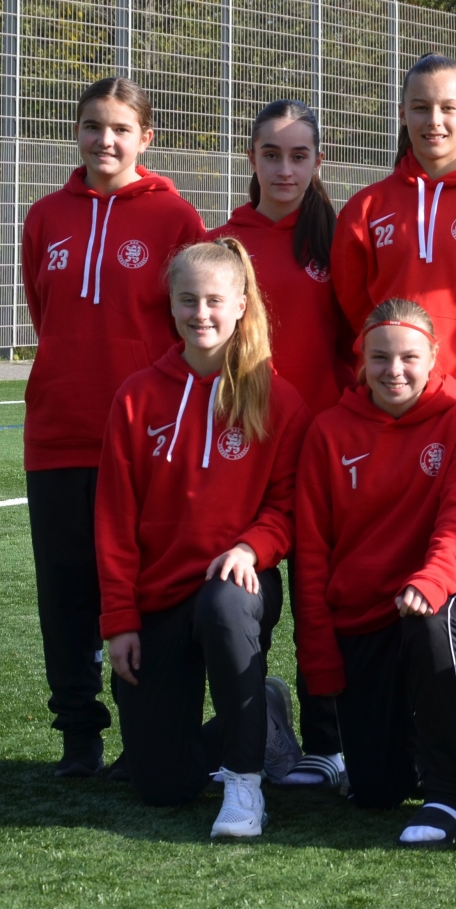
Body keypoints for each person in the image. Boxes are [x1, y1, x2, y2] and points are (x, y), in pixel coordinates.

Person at [331, 54, 456, 763]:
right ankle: (389, 732)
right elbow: (355, 310)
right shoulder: (366, 210)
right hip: (383, 425)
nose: (434, 121)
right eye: (420, 107)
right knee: (381, 572)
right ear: (402, 113)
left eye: (448, 107)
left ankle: (453, 742)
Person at [19, 77, 206, 777]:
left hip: (143, 439)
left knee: (140, 587)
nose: (106, 140)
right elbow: (45, 312)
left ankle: (142, 732)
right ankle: (78, 733)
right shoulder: (45, 217)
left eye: (122, 129)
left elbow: (192, 324)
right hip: (58, 432)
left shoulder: (175, 217)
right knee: (65, 591)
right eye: (94, 126)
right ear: (77, 130)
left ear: (145, 138)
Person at [95, 239, 309, 836]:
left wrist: (251, 547)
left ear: (241, 305)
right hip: (158, 597)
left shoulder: (276, 397)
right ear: (170, 304)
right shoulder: (136, 397)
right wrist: (120, 622)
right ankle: (265, 715)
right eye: (188, 299)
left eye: (215, 300)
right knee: (162, 787)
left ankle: (245, 784)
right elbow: (113, 521)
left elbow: (287, 508)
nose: (201, 313)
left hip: (234, 585)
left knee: (224, 600)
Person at [292, 298, 456, 845]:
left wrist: (428, 580)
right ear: (362, 358)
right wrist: (320, 660)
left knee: (432, 618)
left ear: (434, 357)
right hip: (361, 617)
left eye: (409, 357)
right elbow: (312, 556)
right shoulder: (329, 431)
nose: (394, 370)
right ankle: (274, 723)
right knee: (377, 792)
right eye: (380, 357)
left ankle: (449, 791)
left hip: (432, 602)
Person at [211, 99, 353, 790]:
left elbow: (359, 342)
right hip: (250, 453)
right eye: (272, 154)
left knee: (322, 598)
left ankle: (329, 741)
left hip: (325, 450)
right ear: (251, 159)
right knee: (250, 594)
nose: (285, 169)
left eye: (300, 155)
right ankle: (258, 728)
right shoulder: (223, 244)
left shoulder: (339, 239)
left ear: (318, 161)